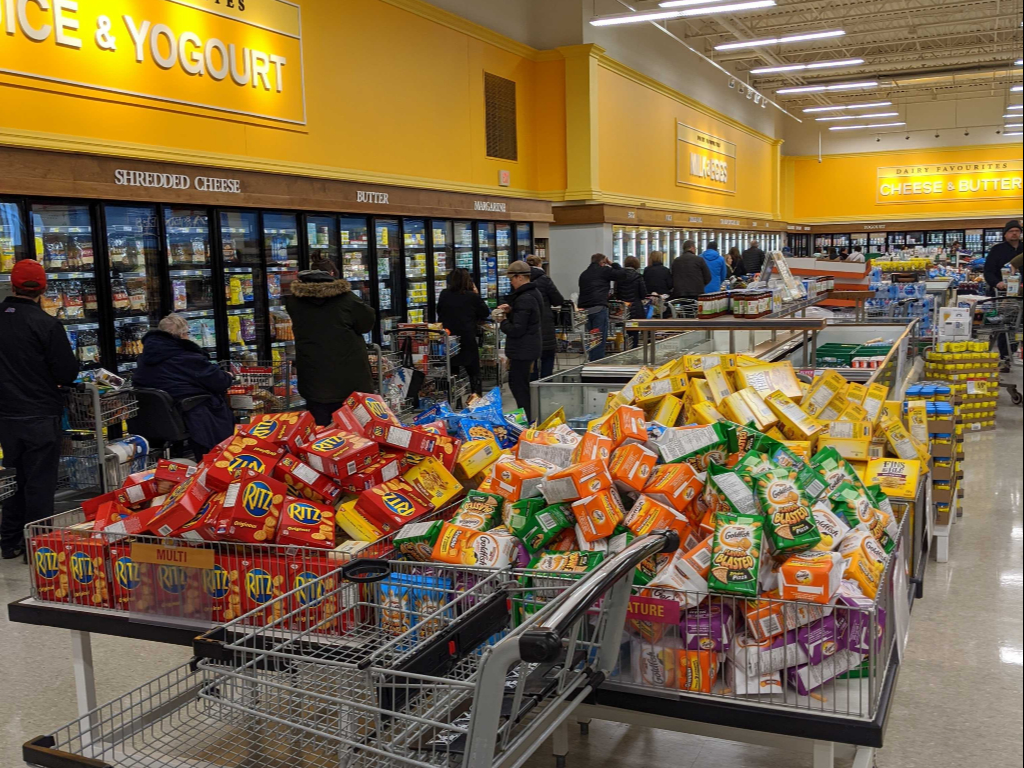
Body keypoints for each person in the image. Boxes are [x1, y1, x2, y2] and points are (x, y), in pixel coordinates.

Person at [0, 260, 79, 560]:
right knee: (40, 483)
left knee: (12, 478)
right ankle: (38, 547)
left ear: (12, 284)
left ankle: (8, 542)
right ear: (43, 288)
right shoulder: (46, 324)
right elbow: (66, 373)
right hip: (40, 414)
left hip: (5, 416)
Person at [285, 259, 376, 426]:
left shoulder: (294, 301)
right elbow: (366, 323)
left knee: (319, 429)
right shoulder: (347, 299)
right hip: (349, 379)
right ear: (332, 276)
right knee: (354, 430)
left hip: (313, 378)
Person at [133, 313, 235, 458]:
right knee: (220, 409)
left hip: (155, 419)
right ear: (181, 336)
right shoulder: (187, 357)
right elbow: (219, 382)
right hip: (189, 414)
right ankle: (218, 458)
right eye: (187, 333)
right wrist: (228, 376)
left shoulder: (144, 357)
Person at [497, 261, 543, 421]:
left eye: (511, 279)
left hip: (523, 349)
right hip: (529, 347)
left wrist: (502, 320)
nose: (511, 282)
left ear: (519, 277)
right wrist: (511, 312)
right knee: (521, 385)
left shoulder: (524, 298)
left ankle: (527, 420)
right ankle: (528, 418)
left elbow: (517, 329)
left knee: (518, 385)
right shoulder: (534, 293)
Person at [437, 268, 491, 396]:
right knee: (473, 371)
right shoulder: (471, 296)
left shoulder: (444, 294)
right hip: (467, 338)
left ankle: (453, 398)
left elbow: (439, 311)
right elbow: (485, 313)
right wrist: (476, 294)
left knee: (452, 370)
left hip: (449, 339)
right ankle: (475, 398)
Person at [983, 220, 1023, 368]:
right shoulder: (997, 250)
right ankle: (1005, 355)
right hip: (1003, 294)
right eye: (1011, 231)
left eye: (1017, 231)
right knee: (1005, 324)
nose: (1014, 233)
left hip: (1021, 293)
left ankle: (1014, 352)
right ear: (1005, 234)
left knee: (1019, 325)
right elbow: (988, 271)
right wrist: (997, 283)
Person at [577, 253, 623, 362]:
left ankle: (591, 360)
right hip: (598, 308)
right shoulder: (604, 270)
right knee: (599, 338)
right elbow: (622, 275)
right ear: (603, 262)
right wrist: (612, 264)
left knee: (591, 338)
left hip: (585, 311)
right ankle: (596, 363)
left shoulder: (584, 274)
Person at [526, 254, 564, 379]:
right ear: (539, 264)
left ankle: (533, 385)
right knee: (547, 355)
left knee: (532, 357)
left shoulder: (523, 280)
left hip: (529, 323)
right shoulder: (545, 279)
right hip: (545, 321)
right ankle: (546, 385)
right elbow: (558, 300)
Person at [616, 256, 648, 348]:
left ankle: (624, 348)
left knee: (624, 330)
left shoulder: (619, 277)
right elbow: (643, 294)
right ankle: (633, 350)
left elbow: (616, 293)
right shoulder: (638, 277)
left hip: (623, 309)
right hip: (635, 308)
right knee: (634, 332)